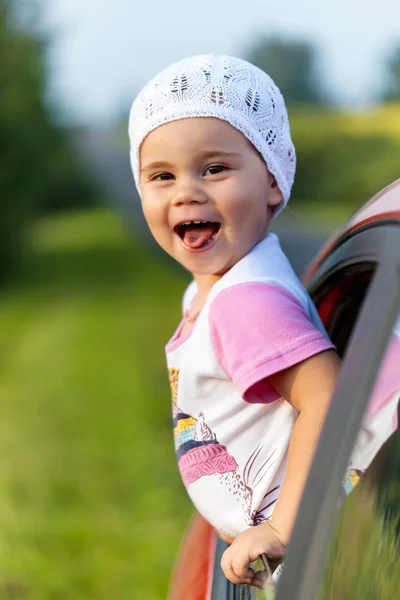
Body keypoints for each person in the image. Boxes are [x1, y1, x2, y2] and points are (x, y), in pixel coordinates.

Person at [128, 54, 342, 590]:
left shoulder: (245, 302)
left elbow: (330, 398)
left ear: (272, 179)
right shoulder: (209, 292)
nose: (186, 191)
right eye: (161, 175)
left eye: (214, 168)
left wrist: (281, 529)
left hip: (301, 560)